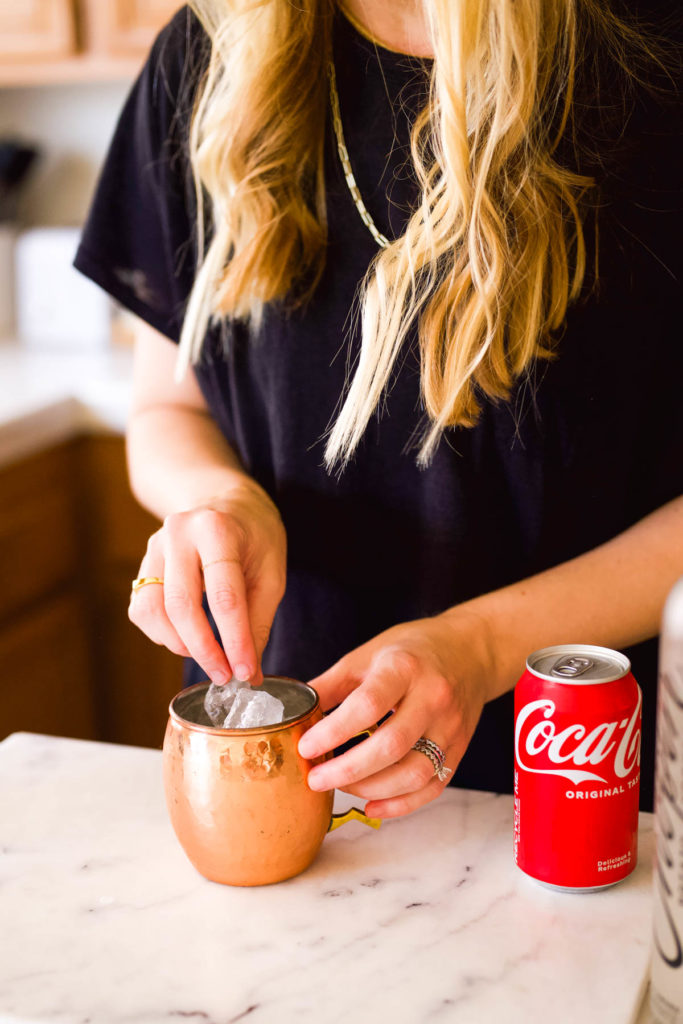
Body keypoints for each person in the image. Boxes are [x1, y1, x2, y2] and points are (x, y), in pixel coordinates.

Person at [75, 0, 682, 818]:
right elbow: (165, 408)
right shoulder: (207, 52)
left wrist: (481, 647)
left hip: (583, 791)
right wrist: (219, 502)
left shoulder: (652, 54)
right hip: (286, 787)